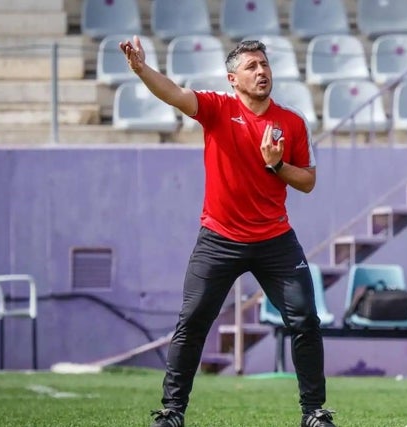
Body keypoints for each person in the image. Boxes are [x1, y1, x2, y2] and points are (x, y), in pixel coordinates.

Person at [119, 36, 337, 427]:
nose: (261, 72)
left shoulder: (291, 122)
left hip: (274, 239)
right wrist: (140, 69)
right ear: (232, 79)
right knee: (193, 322)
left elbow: (307, 181)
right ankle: (172, 412)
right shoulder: (218, 109)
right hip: (219, 238)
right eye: (251, 66)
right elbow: (173, 94)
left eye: (265, 65)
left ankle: (314, 413)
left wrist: (276, 165)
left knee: (305, 320)